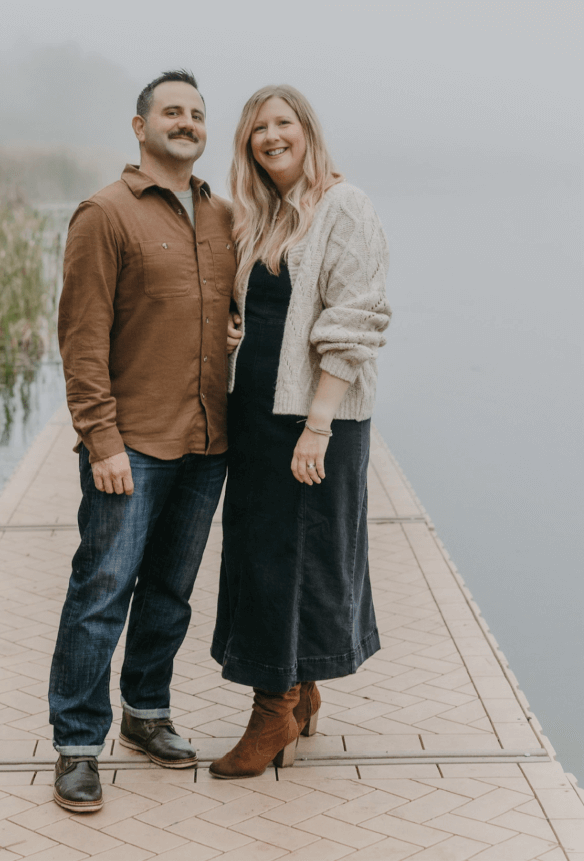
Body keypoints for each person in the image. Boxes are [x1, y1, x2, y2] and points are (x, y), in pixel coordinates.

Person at [48, 70, 235, 811]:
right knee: (101, 590)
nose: (186, 122)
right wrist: (101, 440)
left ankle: (146, 711)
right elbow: (81, 342)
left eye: (196, 113)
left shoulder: (222, 215)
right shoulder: (104, 214)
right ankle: (76, 741)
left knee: (171, 590)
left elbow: (234, 310)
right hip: (133, 444)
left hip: (207, 441)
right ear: (139, 126)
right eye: (171, 112)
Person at [209, 84, 392, 779]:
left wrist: (317, 424)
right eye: (258, 128)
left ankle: (272, 707)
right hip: (257, 414)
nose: (270, 136)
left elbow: (358, 318)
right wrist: (236, 330)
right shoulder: (266, 215)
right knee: (263, 553)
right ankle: (302, 687)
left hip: (314, 420)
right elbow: (267, 313)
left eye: (283, 123)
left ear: (308, 132)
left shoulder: (345, 205)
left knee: (293, 558)